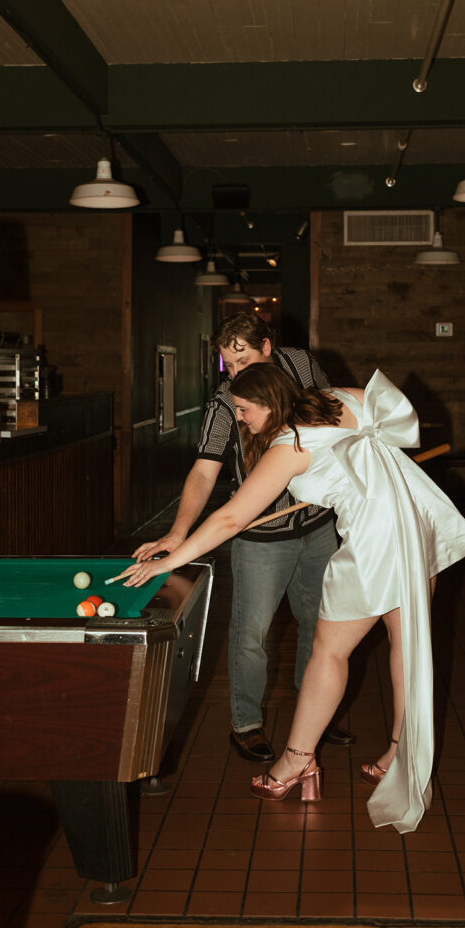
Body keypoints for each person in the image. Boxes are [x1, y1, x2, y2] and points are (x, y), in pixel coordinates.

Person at [124, 364, 465, 832]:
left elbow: (231, 520)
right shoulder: (337, 399)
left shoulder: (287, 446)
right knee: (406, 642)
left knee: (329, 652)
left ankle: (297, 761)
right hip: (417, 521)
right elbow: (397, 412)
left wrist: (170, 560)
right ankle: (397, 752)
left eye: (244, 409)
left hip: (379, 541)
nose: (240, 419)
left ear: (270, 404)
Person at [132, 312, 354, 762]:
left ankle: (316, 714)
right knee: (252, 634)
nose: (234, 374)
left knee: (322, 627)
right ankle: (246, 723)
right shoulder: (223, 405)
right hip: (260, 536)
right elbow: (204, 471)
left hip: (318, 526)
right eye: (226, 365)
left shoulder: (303, 368)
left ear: (269, 349)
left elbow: (337, 416)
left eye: (242, 360)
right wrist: (178, 533)